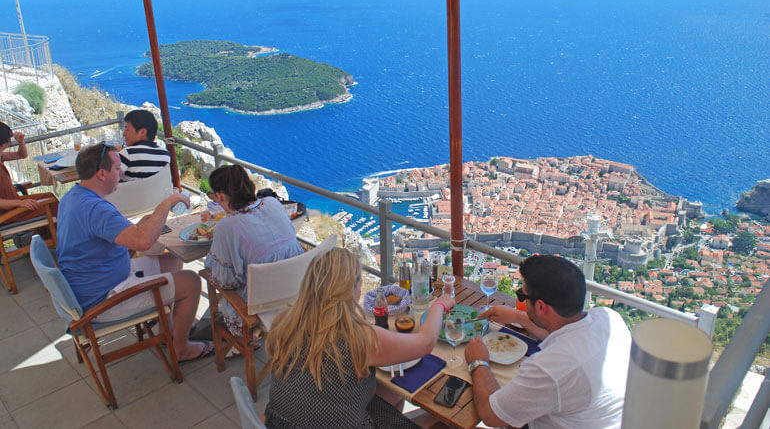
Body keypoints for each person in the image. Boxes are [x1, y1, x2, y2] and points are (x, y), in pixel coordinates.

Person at [265, 246, 456, 428]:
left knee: (390, 392)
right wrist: (440, 305)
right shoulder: (356, 337)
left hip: (278, 423)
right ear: (354, 289)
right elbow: (426, 343)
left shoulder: (285, 322)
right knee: (443, 420)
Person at [56, 143, 212, 362]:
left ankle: (169, 329)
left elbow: (124, 235)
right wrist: (167, 203)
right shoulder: (96, 209)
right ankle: (182, 348)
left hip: (93, 282)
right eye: (118, 168)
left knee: (171, 260)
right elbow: (144, 242)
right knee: (192, 282)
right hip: (103, 300)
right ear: (102, 173)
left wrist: (146, 224)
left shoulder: (72, 197)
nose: (122, 172)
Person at [464, 254, 632, 429]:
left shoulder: (550, 368)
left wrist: (478, 361)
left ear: (541, 307)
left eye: (522, 296)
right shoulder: (609, 318)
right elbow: (560, 334)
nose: (520, 299)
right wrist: (517, 317)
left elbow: (492, 416)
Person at [203, 164, 304, 336]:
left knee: (213, 274)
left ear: (219, 196)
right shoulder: (273, 203)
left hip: (260, 308)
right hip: (296, 294)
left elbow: (224, 281)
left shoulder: (227, 228)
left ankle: (233, 342)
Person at [0, 122, 58, 223]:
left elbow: (21, 155)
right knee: (50, 203)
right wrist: (19, 203)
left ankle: (52, 236)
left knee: (49, 197)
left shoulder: (1, 156)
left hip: (14, 204)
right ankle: (64, 236)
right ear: (3, 145)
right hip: (8, 213)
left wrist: (21, 142)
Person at [119, 109, 170, 181]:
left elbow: (109, 180)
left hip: (129, 192)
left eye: (127, 129)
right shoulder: (165, 155)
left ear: (142, 132)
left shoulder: (128, 154)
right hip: (156, 192)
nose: (124, 134)